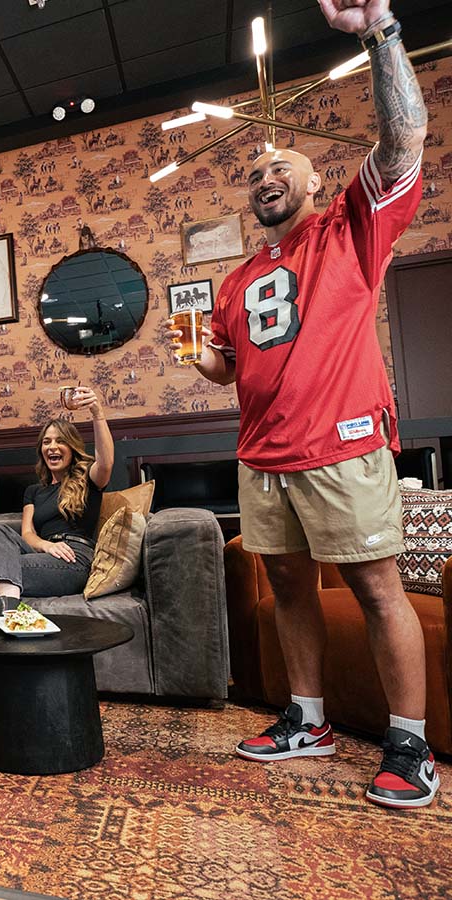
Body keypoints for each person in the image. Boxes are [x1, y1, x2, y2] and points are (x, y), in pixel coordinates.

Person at [167, 0, 435, 809]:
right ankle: (307, 718)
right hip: (264, 456)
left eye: (279, 167)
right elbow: (224, 370)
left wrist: (380, 32)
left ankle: (408, 743)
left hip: (344, 447)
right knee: (285, 588)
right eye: (253, 175)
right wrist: (194, 352)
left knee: (377, 589)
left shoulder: (353, 227)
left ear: (316, 180)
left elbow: (405, 138)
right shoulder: (239, 278)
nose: (264, 178)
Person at [0, 391, 113, 611]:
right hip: (44, 553)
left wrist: (97, 412)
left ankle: (5, 626)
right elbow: (28, 534)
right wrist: (47, 546)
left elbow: (106, 463)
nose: (52, 447)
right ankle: (11, 615)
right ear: (41, 450)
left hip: (73, 559)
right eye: (47, 442)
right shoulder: (34, 491)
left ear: (72, 449)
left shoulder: (87, 478)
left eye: (60, 441)